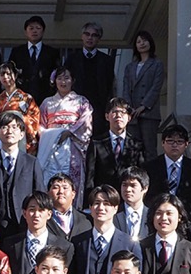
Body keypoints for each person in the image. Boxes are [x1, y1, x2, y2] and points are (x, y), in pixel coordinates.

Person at [0, 111, 43, 240]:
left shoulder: (32, 162)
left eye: (14, 127)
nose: (9, 131)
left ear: (21, 134)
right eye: (5, 127)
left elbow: (39, 193)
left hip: (22, 222)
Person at [1, 191, 74, 274]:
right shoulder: (10, 244)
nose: (36, 215)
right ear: (24, 213)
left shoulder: (64, 246)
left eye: (41, 210)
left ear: (49, 214)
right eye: (32, 210)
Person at [39, 67, 93, 195]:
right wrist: (52, 136)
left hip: (72, 143)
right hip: (52, 144)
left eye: (67, 78)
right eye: (59, 78)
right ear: (54, 81)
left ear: (72, 80)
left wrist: (69, 132)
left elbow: (86, 121)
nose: (63, 82)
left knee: (71, 182)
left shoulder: (81, 101)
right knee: (50, 179)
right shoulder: (47, 102)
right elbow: (40, 125)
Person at [61, 22, 115, 138]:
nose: (90, 38)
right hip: (75, 106)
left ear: (99, 39)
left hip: (99, 108)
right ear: (82, 36)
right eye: (87, 34)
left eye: (94, 35)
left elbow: (110, 86)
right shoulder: (72, 59)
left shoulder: (107, 60)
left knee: (97, 139)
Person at [144, 124, 191, 217]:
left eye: (179, 142)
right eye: (170, 141)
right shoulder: (149, 167)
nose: (174, 145)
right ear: (162, 143)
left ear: (186, 144)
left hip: (187, 217)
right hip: (158, 216)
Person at [86, 98, 144, 198]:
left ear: (129, 117)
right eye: (114, 112)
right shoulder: (96, 142)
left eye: (123, 112)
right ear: (107, 116)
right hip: (104, 197)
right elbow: (90, 175)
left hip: (128, 197)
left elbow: (140, 174)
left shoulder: (136, 144)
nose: (118, 115)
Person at [123, 30, 165, 160]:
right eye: (138, 41)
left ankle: (151, 173)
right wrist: (129, 107)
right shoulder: (130, 67)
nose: (142, 44)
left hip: (149, 113)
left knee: (149, 149)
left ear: (150, 42)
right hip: (132, 114)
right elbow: (126, 88)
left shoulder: (157, 64)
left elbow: (156, 87)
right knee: (133, 149)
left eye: (144, 40)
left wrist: (143, 106)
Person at [5, 15, 62, 106]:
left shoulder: (52, 52)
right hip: (20, 99)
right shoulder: (17, 52)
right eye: (31, 28)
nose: (34, 31)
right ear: (26, 32)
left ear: (43, 31)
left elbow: (57, 75)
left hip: (46, 99)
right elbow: (10, 74)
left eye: (38, 28)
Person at [0, 61, 42, 153]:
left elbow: (34, 119)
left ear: (16, 75)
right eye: (2, 74)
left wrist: (20, 119)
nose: (5, 77)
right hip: (2, 135)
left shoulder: (26, 98)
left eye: (9, 74)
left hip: (19, 134)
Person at [45, 173, 92, 241]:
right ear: (48, 194)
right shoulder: (41, 219)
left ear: (73, 194)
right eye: (56, 187)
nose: (61, 191)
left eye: (65, 188)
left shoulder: (87, 220)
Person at [115, 166, 152, 242]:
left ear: (145, 188)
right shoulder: (113, 214)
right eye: (124, 185)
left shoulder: (152, 215)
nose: (128, 189)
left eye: (133, 185)